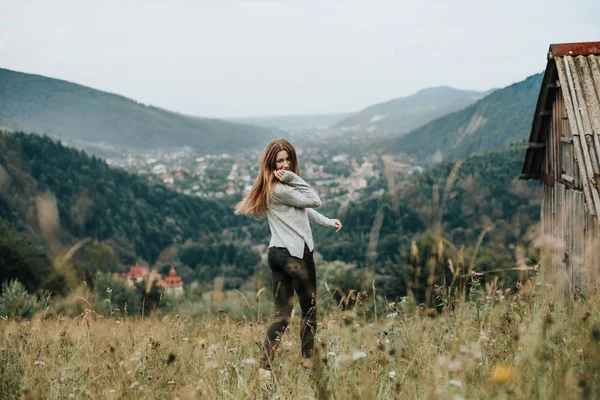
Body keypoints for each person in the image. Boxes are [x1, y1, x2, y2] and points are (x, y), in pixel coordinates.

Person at [235, 139, 342, 380]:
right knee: (309, 309)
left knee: (282, 315)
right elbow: (314, 199)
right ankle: (307, 364)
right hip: (295, 254)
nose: (284, 165)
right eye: (279, 161)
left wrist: (327, 221)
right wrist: (293, 177)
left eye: (287, 160)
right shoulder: (282, 187)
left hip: (277, 254)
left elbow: (305, 209)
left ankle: (264, 370)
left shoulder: (271, 188)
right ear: (271, 164)